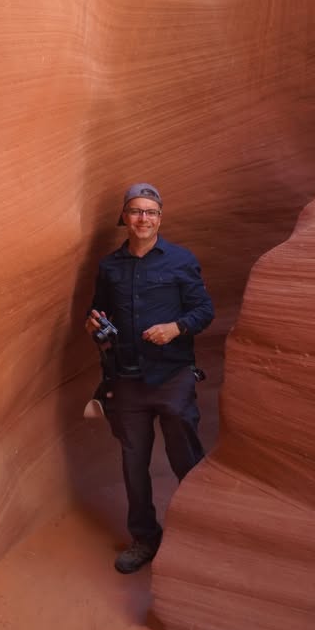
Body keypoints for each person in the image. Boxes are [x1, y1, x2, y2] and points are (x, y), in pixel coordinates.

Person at [85, 183, 214, 574]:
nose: (144, 219)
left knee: (186, 457)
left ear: (160, 217)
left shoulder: (180, 260)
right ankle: (145, 537)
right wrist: (94, 323)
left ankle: (202, 532)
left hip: (172, 376)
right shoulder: (110, 267)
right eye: (136, 211)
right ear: (124, 217)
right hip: (126, 380)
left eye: (151, 212)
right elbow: (98, 312)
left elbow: (204, 310)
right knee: (133, 463)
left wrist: (176, 327)